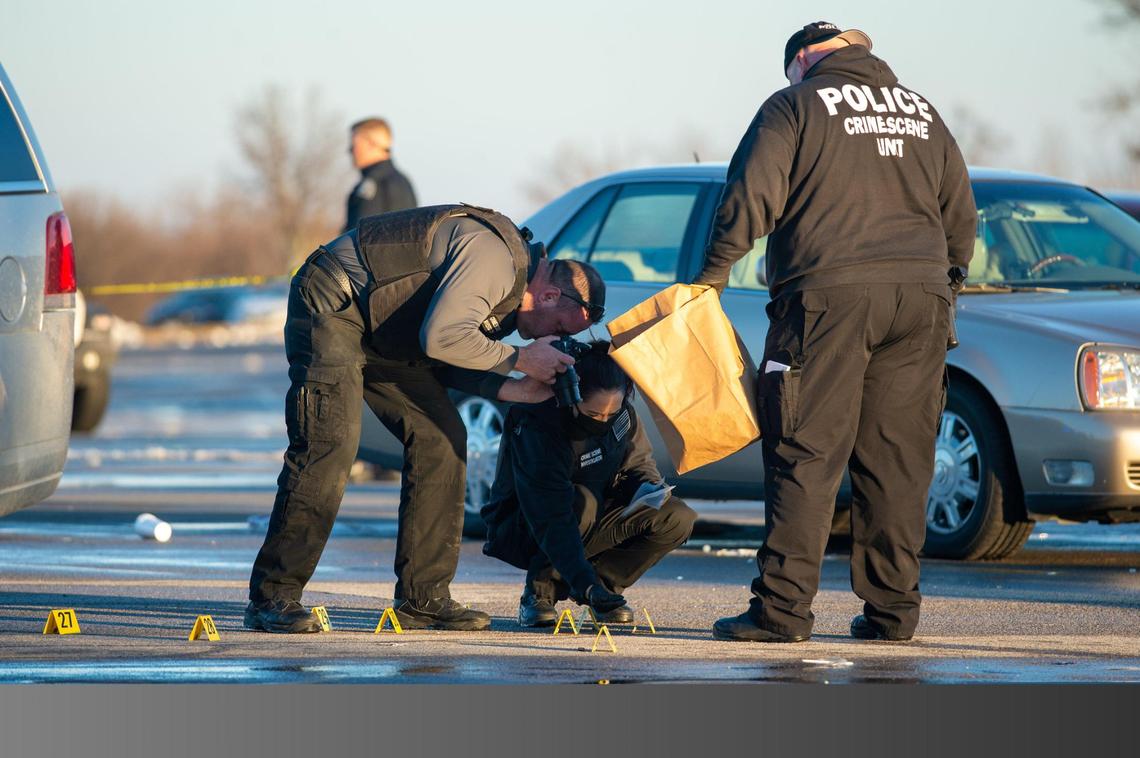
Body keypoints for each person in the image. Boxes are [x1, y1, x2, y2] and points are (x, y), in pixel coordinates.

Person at [696, 22, 976, 643]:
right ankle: (893, 613)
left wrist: (709, 279)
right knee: (898, 462)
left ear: (802, 61)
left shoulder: (794, 105)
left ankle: (781, 612)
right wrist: (945, 287)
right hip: (922, 301)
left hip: (828, 299)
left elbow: (750, 198)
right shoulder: (921, 112)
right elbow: (961, 216)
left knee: (806, 451)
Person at [245, 203, 606, 633]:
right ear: (549, 295)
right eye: (563, 330)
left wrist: (513, 388)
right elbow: (440, 337)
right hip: (335, 302)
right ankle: (274, 595)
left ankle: (424, 598)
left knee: (442, 436)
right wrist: (522, 359)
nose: (556, 340)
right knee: (330, 444)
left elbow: (444, 355)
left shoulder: (510, 293)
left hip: (387, 330)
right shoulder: (496, 261)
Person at [481, 341, 697, 627]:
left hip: (592, 515)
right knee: (581, 502)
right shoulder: (538, 424)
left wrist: (646, 488)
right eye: (594, 414)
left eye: (611, 413)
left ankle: (603, 588)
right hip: (527, 525)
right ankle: (539, 593)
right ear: (571, 396)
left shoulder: (623, 418)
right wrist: (582, 582)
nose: (603, 421)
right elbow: (550, 513)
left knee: (677, 517)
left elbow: (639, 464)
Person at [344, 117, 417, 231]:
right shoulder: (403, 182)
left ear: (371, 145)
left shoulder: (372, 185)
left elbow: (358, 237)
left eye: (354, 145)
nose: (349, 150)